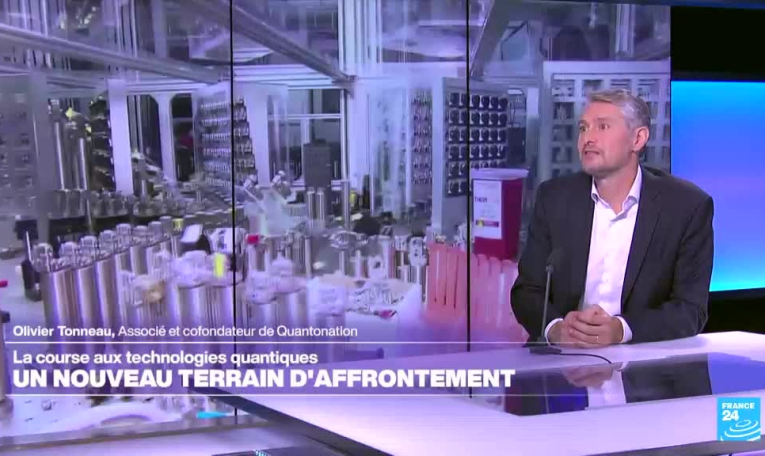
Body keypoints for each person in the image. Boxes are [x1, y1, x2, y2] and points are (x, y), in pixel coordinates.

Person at [511, 89, 714, 347]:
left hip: (643, 361)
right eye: (583, 128)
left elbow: (690, 310)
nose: (588, 138)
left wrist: (621, 330)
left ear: (638, 139)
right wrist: (556, 328)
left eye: (603, 126)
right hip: (563, 358)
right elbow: (526, 291)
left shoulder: (686, 207)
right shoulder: (554, 198)